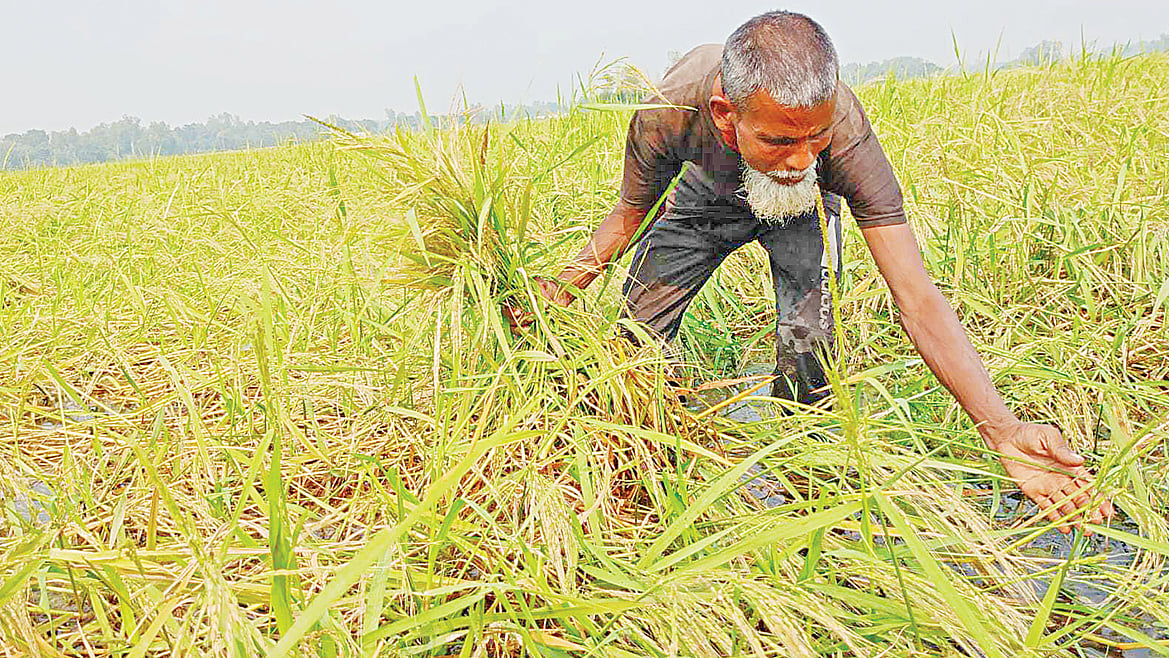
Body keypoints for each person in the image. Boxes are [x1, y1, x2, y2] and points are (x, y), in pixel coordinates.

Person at [527, 11, 1112, 531]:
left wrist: (1002, 429)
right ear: (726, 117)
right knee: (635, 333)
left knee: (807, 340)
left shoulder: (844, 141)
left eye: (817, 136)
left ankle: (807, 481)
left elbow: (915, 293)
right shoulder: (669, 112)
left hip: (802, 209)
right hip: (704, 200)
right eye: (780, 139)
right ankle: (637, 466)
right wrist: (551, 293)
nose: (804, 157)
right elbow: (629, 216)